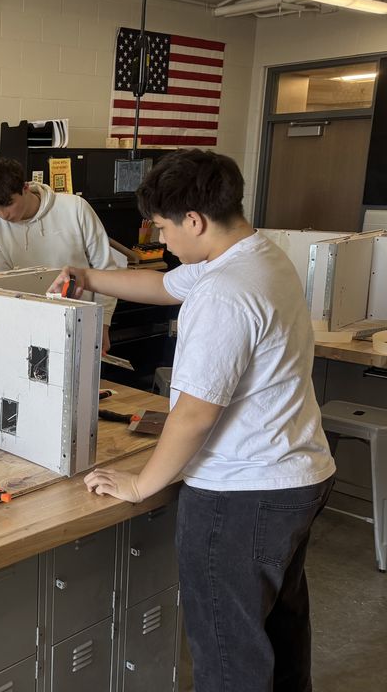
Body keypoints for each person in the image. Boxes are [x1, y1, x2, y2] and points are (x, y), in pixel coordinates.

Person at [49, 149, 335, 692]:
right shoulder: (255, 256)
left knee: (230, 654)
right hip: (297, 475)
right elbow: (162, 286)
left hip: (242, 493)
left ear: (195, 221)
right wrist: (89, 277)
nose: (161, 240)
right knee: (279, 629)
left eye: (161, 227)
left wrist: (140, 483)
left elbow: (195, 414)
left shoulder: (226, 292)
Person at [0, 157, 117, 353]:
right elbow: (8, 296)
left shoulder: (76, 208)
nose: (3, 214)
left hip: (82, 321)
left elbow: (106, 268)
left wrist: (103, 323)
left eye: (8, 204)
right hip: (29, 330)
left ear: (25, 187)